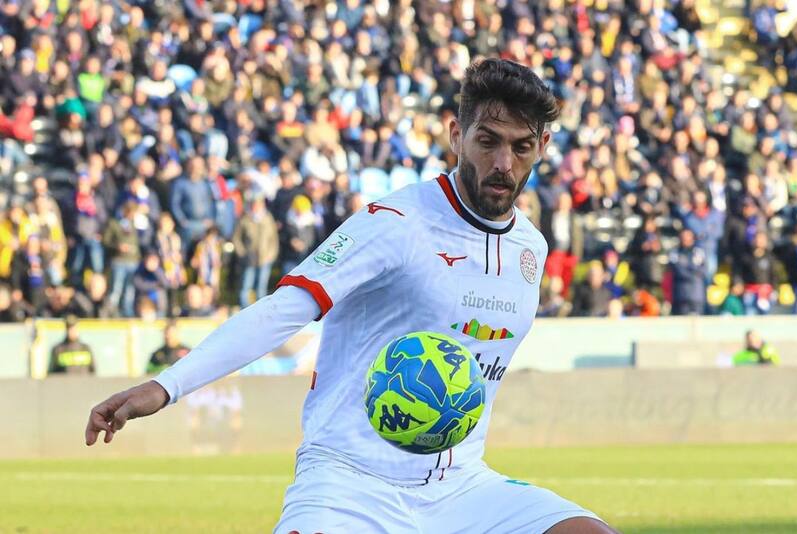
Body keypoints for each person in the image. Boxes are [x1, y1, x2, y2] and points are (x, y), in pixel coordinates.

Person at [85, 59, 615, 534]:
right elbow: (284, 310)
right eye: (488, 140)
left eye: (521, 147)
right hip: (351, 482)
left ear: (543, 147)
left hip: (460, 487)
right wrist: (167, 385)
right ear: (457, 135)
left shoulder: (530, 248)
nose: (503, 162)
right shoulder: (396, 222)